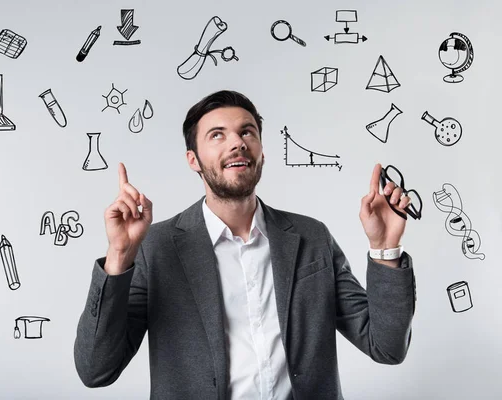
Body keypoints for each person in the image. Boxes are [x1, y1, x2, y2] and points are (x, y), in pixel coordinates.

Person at [74, 90, 416, 399]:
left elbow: (386, 347)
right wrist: (120, 255)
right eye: (217, 135)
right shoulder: (157, 247)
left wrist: (385, 248)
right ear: (193, 159)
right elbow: (96, 370)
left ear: (262, 153)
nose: (236, 143)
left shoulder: (313, 237)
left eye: (246, 132)